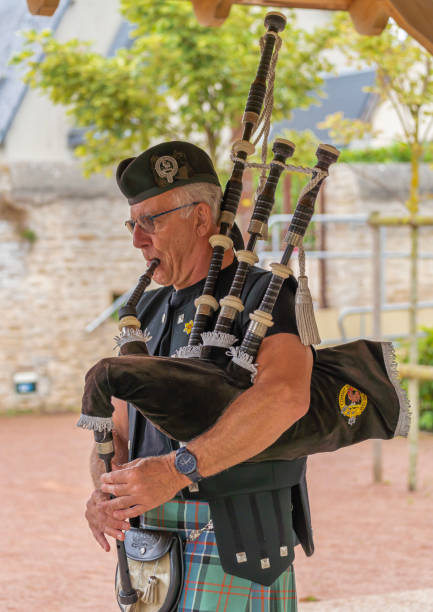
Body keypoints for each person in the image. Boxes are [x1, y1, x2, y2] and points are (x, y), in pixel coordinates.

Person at [85, 141, 313, 611]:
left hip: (231, 538)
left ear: (201, 218)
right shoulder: (145, 310)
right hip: (152, 545)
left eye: (152, 220)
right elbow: (122, 430)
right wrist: (106, 493)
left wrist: (174, 470)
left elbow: (286, 396)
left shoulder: (262, 293)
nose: (138, 239)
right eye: (133, 223)